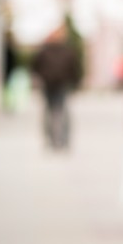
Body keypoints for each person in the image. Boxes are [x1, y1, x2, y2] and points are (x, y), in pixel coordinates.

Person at [31, 22, 82, 150]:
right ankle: (50, 139)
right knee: (50, 113)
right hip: (49, 85)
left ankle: (63, 140)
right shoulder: (45, 50)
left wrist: (75, 82)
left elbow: (74, 68)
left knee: (62, 112)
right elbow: (36, 66)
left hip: (61, 85)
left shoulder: (66, 51)